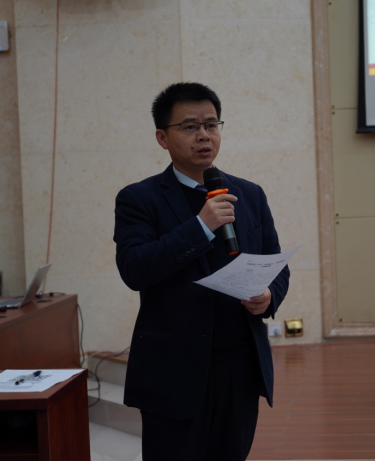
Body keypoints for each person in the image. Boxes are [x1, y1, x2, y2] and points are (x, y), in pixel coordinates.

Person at [114, 82, 290, 461]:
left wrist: (268, 296)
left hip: (239, 367)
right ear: (162, 138)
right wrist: (200, 226)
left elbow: (276, 264)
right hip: (173, 370)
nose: (204, 135)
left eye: (211, 124)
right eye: (190, 126)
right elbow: (134, 269)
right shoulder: (139, 199)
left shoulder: (249, 194)